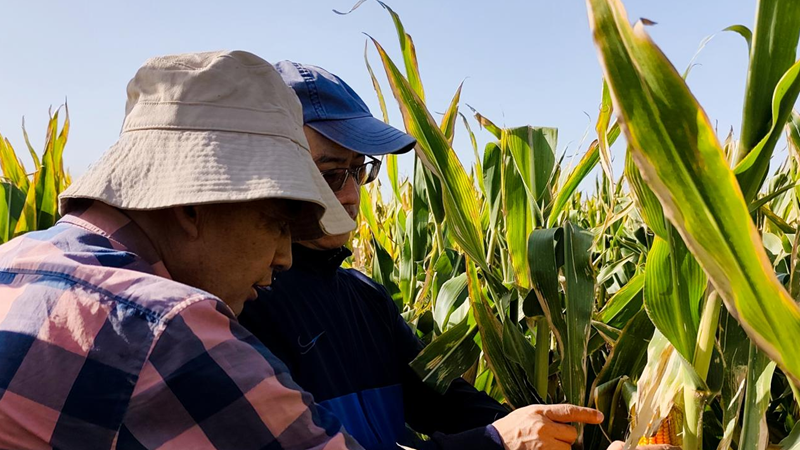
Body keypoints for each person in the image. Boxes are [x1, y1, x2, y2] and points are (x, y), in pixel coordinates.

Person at [0, 51, 364, 449]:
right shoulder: (169, 328)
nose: (285, 257)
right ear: (191, 207)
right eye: (277, 224)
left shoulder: (12, 261)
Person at [238, 61, 606, 450]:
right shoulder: (244, 303)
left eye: (359, 170)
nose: (349, 195)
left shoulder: (364, 298)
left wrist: (564, 439)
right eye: (330, 173)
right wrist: (496, 443)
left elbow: (442, 399)